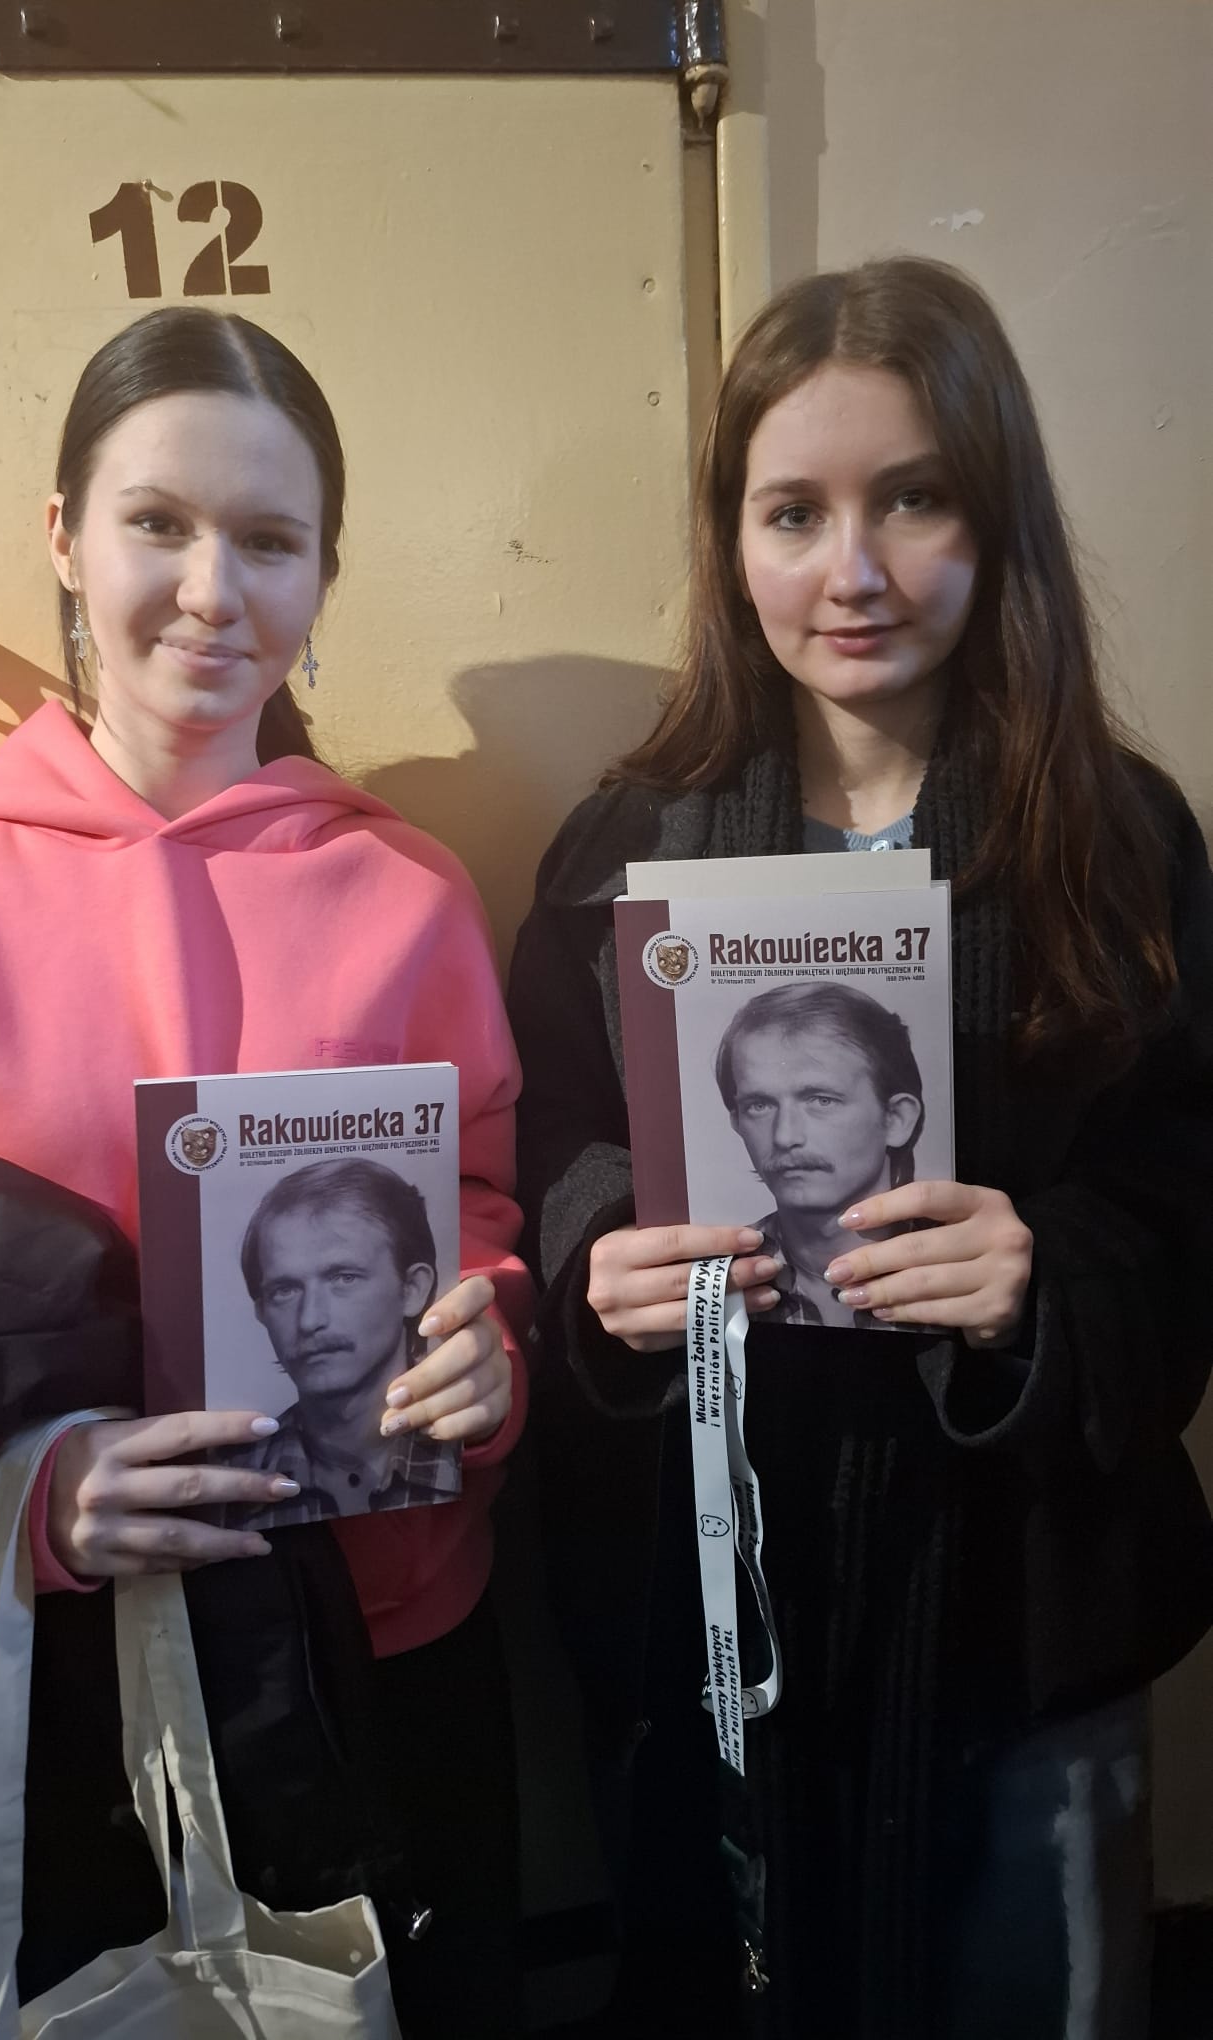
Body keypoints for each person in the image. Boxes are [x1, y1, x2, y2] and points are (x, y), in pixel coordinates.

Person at [0, 307, 529, 2037]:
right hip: (42, 1684)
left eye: (270, 540)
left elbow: (473, 1207)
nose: (211, 592)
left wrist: (490, 1346)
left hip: (377, 1647)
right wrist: (12, 1506)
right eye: (158, 522)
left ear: (326, 574)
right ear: (63, 539)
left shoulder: (411, 894)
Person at [509, 257, 1213, 2038]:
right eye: (793, 512)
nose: (854, 571)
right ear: (731, 539)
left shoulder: (1117, 842)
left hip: (1019, 1613)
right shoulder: (624, 846)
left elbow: (1188, 1185)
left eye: (912, 498)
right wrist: (603, 1246)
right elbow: (551, 1136)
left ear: (996, 517)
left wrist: (1047, 1279)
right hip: (724, 1610)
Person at [227, 1157, 458, 1523]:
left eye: (344, 1278)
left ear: (412, 1289)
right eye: (285, 1290)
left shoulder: (465, 1447)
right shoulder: (227, 1481)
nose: (310, 1320)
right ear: (262, 1310)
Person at [715, 981, 924, 1326]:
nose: (785, 1136)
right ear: (737, 1122)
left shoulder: (965, 1263)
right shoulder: (714, 1277)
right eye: (759, 1105)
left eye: (821, 1100)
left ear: (896, 1119)